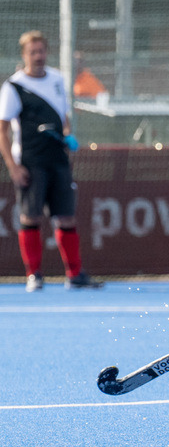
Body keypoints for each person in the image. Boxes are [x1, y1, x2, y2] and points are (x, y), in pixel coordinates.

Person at [0, 31, 102, 292]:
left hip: (58, 160)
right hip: (31, 162)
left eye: (41, 51)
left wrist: (67, 136)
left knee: (66, 217)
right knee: (30, 216)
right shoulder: (14, 87)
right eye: (32, 52)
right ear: (24, 55)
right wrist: (13, 166)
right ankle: (34, 274)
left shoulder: (58, 79)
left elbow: (63, 115)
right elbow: (2, 130)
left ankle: (75, 274)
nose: (38, 56)